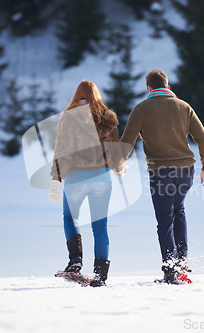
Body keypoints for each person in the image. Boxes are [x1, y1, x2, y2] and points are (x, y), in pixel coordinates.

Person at [120, 69, 204, 284]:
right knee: (178, 209)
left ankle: (170, 270)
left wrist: (120, 162)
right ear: (168, 87)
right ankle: (182, 261)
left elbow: (127, 141)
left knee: (164, 219)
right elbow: (202, 138)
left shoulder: (141, 109)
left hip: (161, 172)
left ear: (149, 89)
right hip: (186, 171)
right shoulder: (184, 107)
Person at [48, 80, 125, 287]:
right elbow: (115, 150)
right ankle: (100, 276)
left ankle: (75, 263)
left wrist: (55, 180)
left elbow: (61, 151)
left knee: (69, 217)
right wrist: (118, 167)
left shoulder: (69, 116)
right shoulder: (108, 117)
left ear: (77, 95)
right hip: (102, 177)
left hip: (75, 178)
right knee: (100, 227)